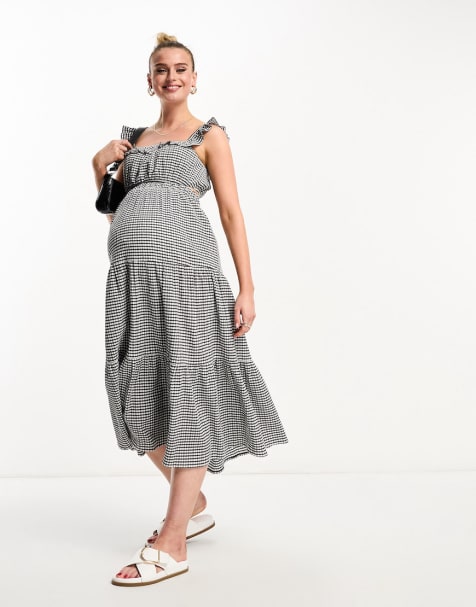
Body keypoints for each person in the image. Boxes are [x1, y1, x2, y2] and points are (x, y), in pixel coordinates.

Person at [92, 32, 288, 587]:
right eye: (162, 68)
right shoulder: (132, 141)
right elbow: (113, 213)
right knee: (133, 391)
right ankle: (193, 502)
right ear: (149, 80)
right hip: (132, 282)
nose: (171, 76)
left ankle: (173, 540)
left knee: (189, 389)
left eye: (181, 68)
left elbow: (230, 212)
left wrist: (247, 288)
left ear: (194, 79)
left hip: (189, 280)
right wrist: (98, 164)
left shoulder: (210, 135)